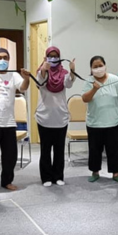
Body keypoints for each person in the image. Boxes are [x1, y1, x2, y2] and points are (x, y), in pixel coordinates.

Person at [0, 48, 30, 193]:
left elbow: (23, 88)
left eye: (5, 58)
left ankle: (7, 181)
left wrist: (26, 78)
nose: (2, 60)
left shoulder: (13, 75)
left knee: (10, 155)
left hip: (8, 122)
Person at [81, 55, 118, 183]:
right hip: (94, 123)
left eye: (100, 65)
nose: (98, 68)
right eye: (95, 66)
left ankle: (116, 174)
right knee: (94, 150)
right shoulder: (89, 81)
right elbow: (85, 99)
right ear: (91, 69)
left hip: (113, 122)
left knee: (114, 150)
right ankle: (95, 172)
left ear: (105, 66)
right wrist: (94, 89)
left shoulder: (115, 79)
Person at [35, 46, 76, 187]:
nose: (53, 58)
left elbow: (69, 84)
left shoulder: (64, 73)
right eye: (50, 56)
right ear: (46, 57)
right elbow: (40, 82)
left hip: (60, 117)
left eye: (55, 56)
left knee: (59, 150)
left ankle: (58, 176)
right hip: (44, 118)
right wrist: (44, 70)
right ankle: (46, 177)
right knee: (45, 150)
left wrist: (72, 71)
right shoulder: (41, 72)